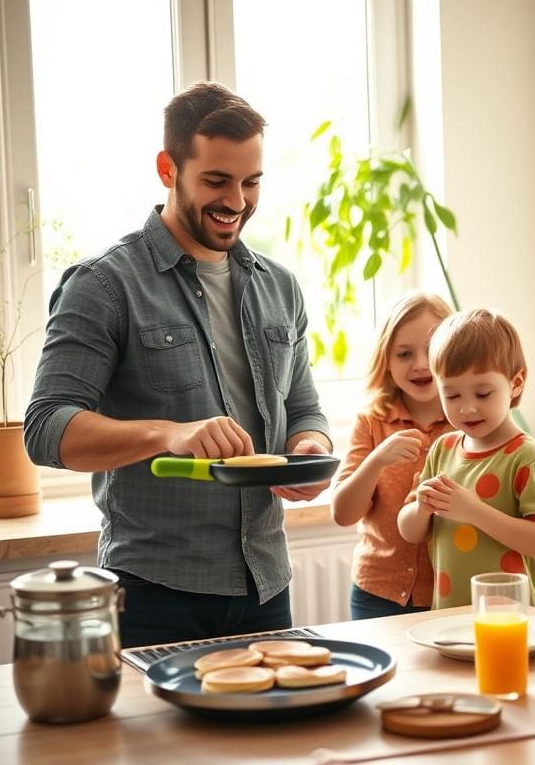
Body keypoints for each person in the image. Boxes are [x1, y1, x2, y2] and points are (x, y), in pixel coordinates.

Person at [24, 82, 333, 648]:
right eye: (217, 180)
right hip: (153, 594)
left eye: (251, 181)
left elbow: (303, 408)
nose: (236, 201)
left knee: (273, 737)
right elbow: (46, 429)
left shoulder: (281, 288)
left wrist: (308, 448)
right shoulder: (104, 286)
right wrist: (171, 433)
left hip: (266, 586)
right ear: (169, 168)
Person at [398, 308, 535, 608]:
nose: (467, 409)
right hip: (445, 619)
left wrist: (473, 511)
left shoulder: (525, 457)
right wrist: (421, 508)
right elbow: (409, 531)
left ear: (516, 383)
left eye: (483, 393)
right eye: (452, 396)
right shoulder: (443, 448)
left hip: (507, 621)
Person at [331, 291, 454, 620]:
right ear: (386, 359)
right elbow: (343, 513)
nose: (419, 364)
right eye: (403, 354)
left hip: (450, 593)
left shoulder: (471, 424)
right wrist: (377, 460)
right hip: (376, 593)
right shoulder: (372, 421)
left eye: (431, 351)